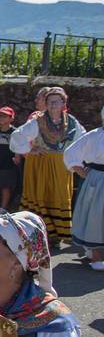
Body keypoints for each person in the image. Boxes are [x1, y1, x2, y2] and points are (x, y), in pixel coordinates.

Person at [10, 85, 83, 243]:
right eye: (50, 101)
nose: (53, 105)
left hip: (61, 165)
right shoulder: (38, 121)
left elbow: (82, 141)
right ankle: (37, 234)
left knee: (59, 195)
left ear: (64, 103)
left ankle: (56, 235)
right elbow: (17, 136)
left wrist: (74, 159)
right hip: (40, 164)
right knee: (40, 195)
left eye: (57, 101)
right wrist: (29, 151)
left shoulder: (71, 122)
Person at [65, 103, 104, 271]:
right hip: (98, 179)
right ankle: (95, 255)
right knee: (94, 217)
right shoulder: (95, 135)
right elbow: (71, 152)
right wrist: (81, 171)